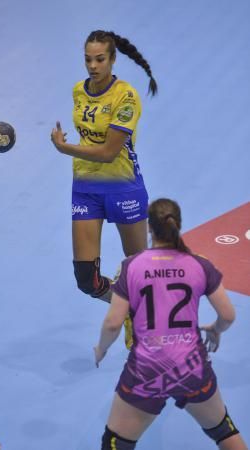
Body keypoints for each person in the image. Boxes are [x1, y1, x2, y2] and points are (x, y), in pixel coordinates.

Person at [94, 198, 248, 450]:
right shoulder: (199, 264)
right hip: (192, 367)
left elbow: (113, 323)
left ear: (149, 228)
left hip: (146, 370)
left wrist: (101, 348)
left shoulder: (132, 266)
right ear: (178, 225)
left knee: (115, 443)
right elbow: (228, 315)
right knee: (223, 431)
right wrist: (215, 330)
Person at [51, 30, 157, 316]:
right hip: (85, 189)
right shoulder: (78, 91)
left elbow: (110, 152)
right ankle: (131, 309)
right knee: (87, 280)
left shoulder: (126, 97)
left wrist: (65, 148)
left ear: (112, 60)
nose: (93, 66)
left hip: (123, 188)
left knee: (141, 272)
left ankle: (162, 324)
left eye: (99, 59)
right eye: (88, 59)